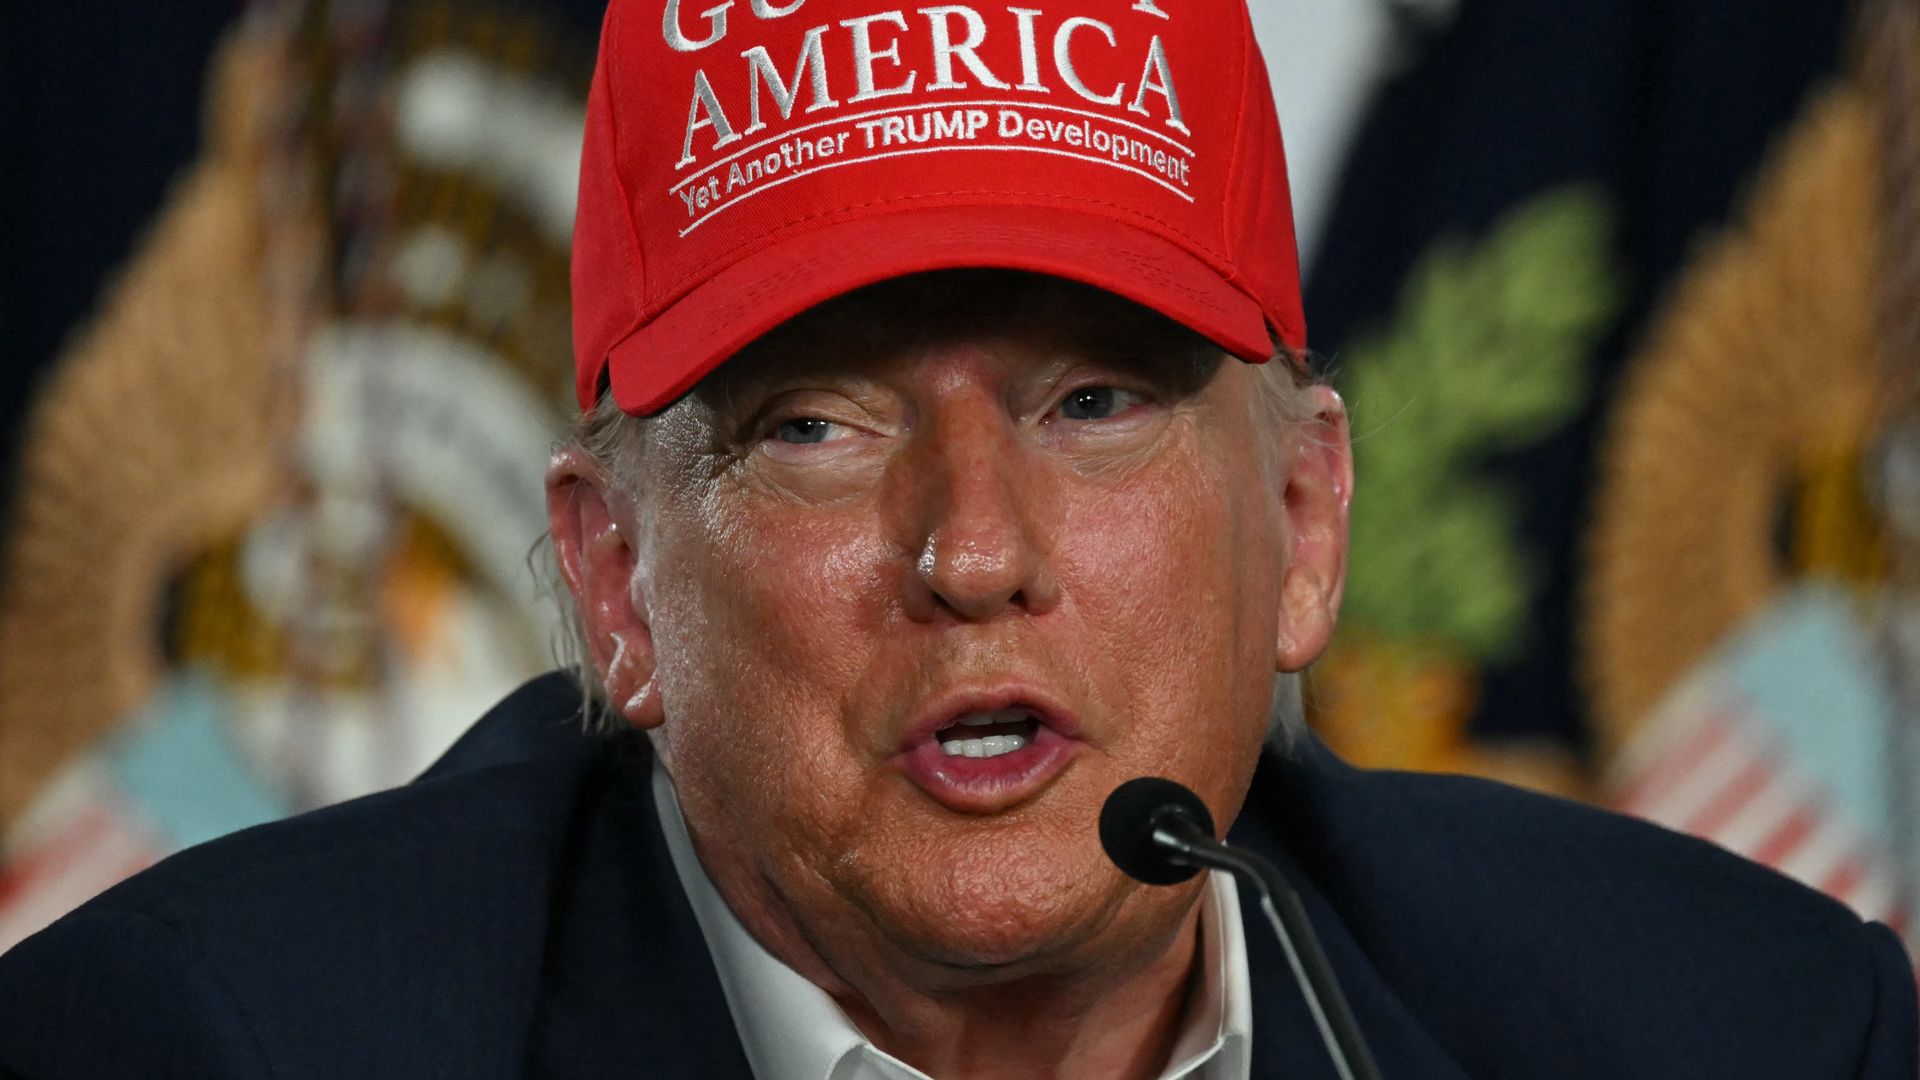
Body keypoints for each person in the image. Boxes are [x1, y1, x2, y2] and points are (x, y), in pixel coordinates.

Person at [0, 1, 1913, 1077]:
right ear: (613, 587)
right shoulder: (210, 1052)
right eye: (818, 429)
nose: (977, 550)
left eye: (1097, 404)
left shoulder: (1740, 1034)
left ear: (1307, 522)